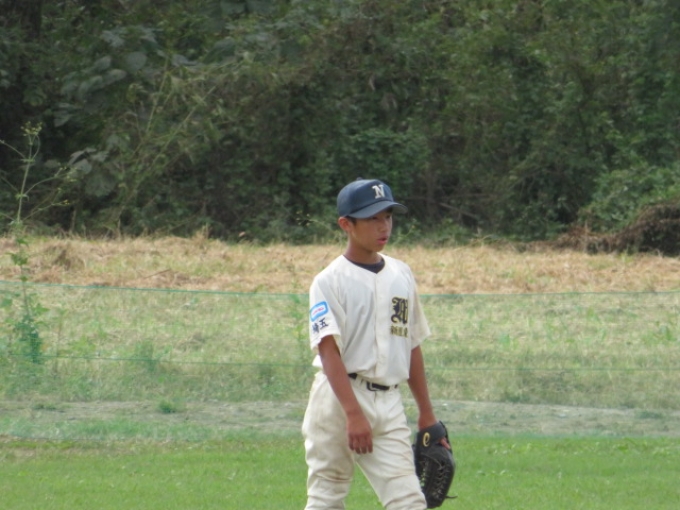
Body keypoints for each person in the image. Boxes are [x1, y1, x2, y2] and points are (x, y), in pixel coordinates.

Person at [302, 178, 445, 510]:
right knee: (327, 497)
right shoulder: (329, 281)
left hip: (389, 401)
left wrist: (427, 414)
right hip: (338, 400)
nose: (384, 226)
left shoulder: (401, 274)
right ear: (346, 224)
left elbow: (411, 345)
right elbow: (328, 351)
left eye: (388, 217)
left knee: (409, 501)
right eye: (372, 218)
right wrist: (353, 414)